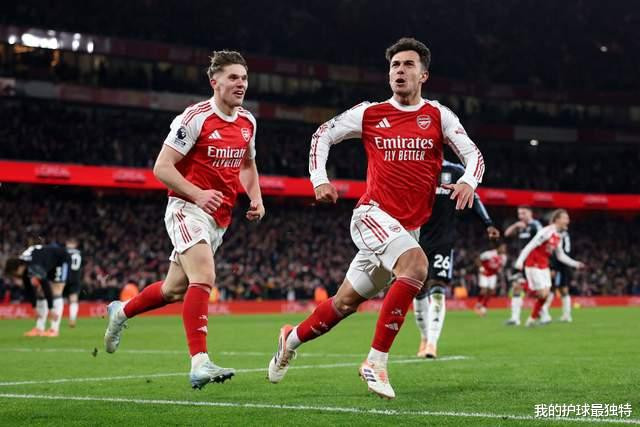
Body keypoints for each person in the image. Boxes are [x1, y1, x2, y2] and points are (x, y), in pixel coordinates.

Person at [267, 37, 484, 400]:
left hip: (407, 230)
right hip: (372, 215)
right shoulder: (369, 113)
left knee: (344, 303)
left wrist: (468, 181)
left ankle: (289, 340)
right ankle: (375, 362)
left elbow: (474, 155)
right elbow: (322, 134)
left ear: (423, 75)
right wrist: (319, 178)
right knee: (417, 266)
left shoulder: (439, 116)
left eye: (408, 64)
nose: (400, 70)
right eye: (394, 65)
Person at [103, 50, 265, 390]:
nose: (241, 84)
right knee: (204, 276)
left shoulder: (248, 122)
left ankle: (122, 311)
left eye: (244, 78)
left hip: (219, 217)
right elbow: (162, 167)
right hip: (186, 207)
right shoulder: (194, 118)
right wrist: (197, 194)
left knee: (173, 289)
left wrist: (256, 197)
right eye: (233, 77)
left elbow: (247, 165)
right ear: (214, 82)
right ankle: (199, 362)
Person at [413, 160, 500, 359]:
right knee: (418, 289)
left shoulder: (455, 171)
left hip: (443, 240)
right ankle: (424, 337)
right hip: (415, 238)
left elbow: (473, 197)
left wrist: (488, 223)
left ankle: (432, 342)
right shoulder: (414, 166)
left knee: (437, 287)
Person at [514, 209, 584, 327]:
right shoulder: (546, 232)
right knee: (542, 294)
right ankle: (523, 284)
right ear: (557, 219)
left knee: (545, 295)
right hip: (533, 264)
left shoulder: (558, 236)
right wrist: (520, 261)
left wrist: (575, 264)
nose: (568, 221)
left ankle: (532, 319)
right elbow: (530, 245)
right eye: (565, 218)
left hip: (544, 265)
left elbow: (560, 255)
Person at [4, 243, 71, 337]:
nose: (15, 276)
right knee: (40, 293)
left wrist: (51, 309)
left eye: (14, 273)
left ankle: (54, 329)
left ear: (18, 267)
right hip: (48, 262)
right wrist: (34, 308)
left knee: (56, 291)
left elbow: (45, 286)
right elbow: (29, 288)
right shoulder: (25, 265)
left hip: (61, 259)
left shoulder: (34, 265)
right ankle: (39, 328)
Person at [503, 206, 542, 326]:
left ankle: (543, 315)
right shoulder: (520, 226)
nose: (521, 216)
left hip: (534, 262)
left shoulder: (535, 225)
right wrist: (516, 225)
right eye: (519, 214)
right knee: (516, 286)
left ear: (530, 213)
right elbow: (506, 234)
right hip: (522, 261)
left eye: (523, 213)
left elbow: (543, 240)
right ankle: (515, 318)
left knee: (537, 290)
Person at [543, 229, 573, 322]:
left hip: (559, 265)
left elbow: (558, 252)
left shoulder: (558, 234)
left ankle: (545, 311)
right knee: (561, 289)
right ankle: (566, 315)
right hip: (564, 264)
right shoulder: (565, 234)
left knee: (553, 288)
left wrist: (553, 267)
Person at [474, 242, 508, 316]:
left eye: (505, 248)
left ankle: (484, 306)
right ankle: (478, 304)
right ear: (498, 248)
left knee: (491, 291)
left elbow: (501, 266)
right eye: (503, 248)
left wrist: (499, 270)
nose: (504, 249)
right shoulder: (489, 254)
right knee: (484, 290)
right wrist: (481, 267)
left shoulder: (504, 257)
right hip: (484, 273)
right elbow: (478, 259)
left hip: (493, 275)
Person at [64, 238, 83, 328]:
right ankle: (72, 318)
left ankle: (55, 319)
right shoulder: (80, 253)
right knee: (73, 299)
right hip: (76, 278)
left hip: (64, 277)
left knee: (58, 297)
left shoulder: (64, 251)